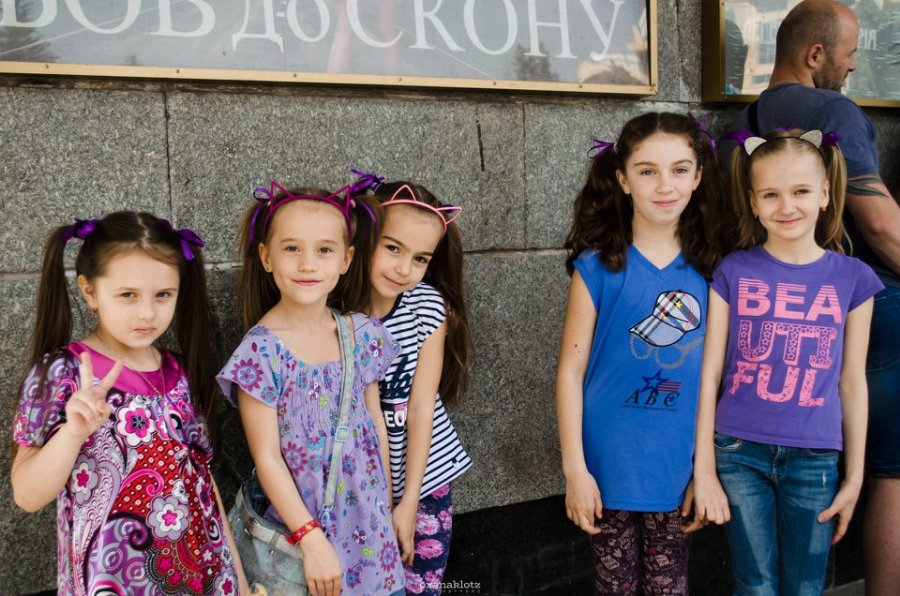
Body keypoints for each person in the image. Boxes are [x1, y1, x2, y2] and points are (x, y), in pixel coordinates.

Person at [717, 3, 900, 591]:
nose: (852, 66)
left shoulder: (739, 126)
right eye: (849, 54)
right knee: (893, 474)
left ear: (821, 193)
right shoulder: (833, 110)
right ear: (815, 54)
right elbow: (881, 225)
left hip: (803, 369)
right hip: (870, 316)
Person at [688, 130, 883, 594]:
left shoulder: (854, 279)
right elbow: (709, 375)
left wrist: (855, 475)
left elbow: (852, 382)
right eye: (771, 194)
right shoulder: (732, 272)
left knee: (805, 586)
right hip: (737, 452)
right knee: (754, 584)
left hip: (815, 458)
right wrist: (704, 468)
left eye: (800, 191)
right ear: (753, 203)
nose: (786, 206)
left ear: (825, 195)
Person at [10, 212, 247, 595]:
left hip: (205, 575)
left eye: (163, 295)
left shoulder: (181, 373)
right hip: (114, 580)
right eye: (128, 295)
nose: (147, 313)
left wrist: (238, 579)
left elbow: (204, 483)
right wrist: (72, 434)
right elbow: (27, 495)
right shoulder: (63, 372)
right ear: (89, 291)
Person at [556, 112, 728, 594]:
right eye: (647, 170)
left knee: (669, 586)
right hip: (606, 467)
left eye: (679, 169)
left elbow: (714, 378)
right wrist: (575, 470)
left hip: (676, 466)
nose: (664, 185)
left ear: (697, 177)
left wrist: (704, 469)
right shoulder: (596, 267)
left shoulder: (715, 271)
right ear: (623, 179)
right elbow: (570, 372)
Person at [217, 179, 405, 596]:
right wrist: (311, 539)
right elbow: (267, 457)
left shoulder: (360, 334)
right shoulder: (260, 353)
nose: (307, 264)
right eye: (291, 248)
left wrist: (387, 502)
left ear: (346, 259)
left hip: (371, 532)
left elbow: (374, 423)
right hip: (305, 536)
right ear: (266, 257)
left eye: (324, 250)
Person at [354, 180, 474, 594]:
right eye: (393, 248)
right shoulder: (341, 316)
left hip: (426, 477)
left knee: (422, 584)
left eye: (420, 258)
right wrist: (384, 501)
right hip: (362, 485)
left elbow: (423, 404)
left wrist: (408, 502)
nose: (404, 269)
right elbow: (369, 415)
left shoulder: (427, 307)